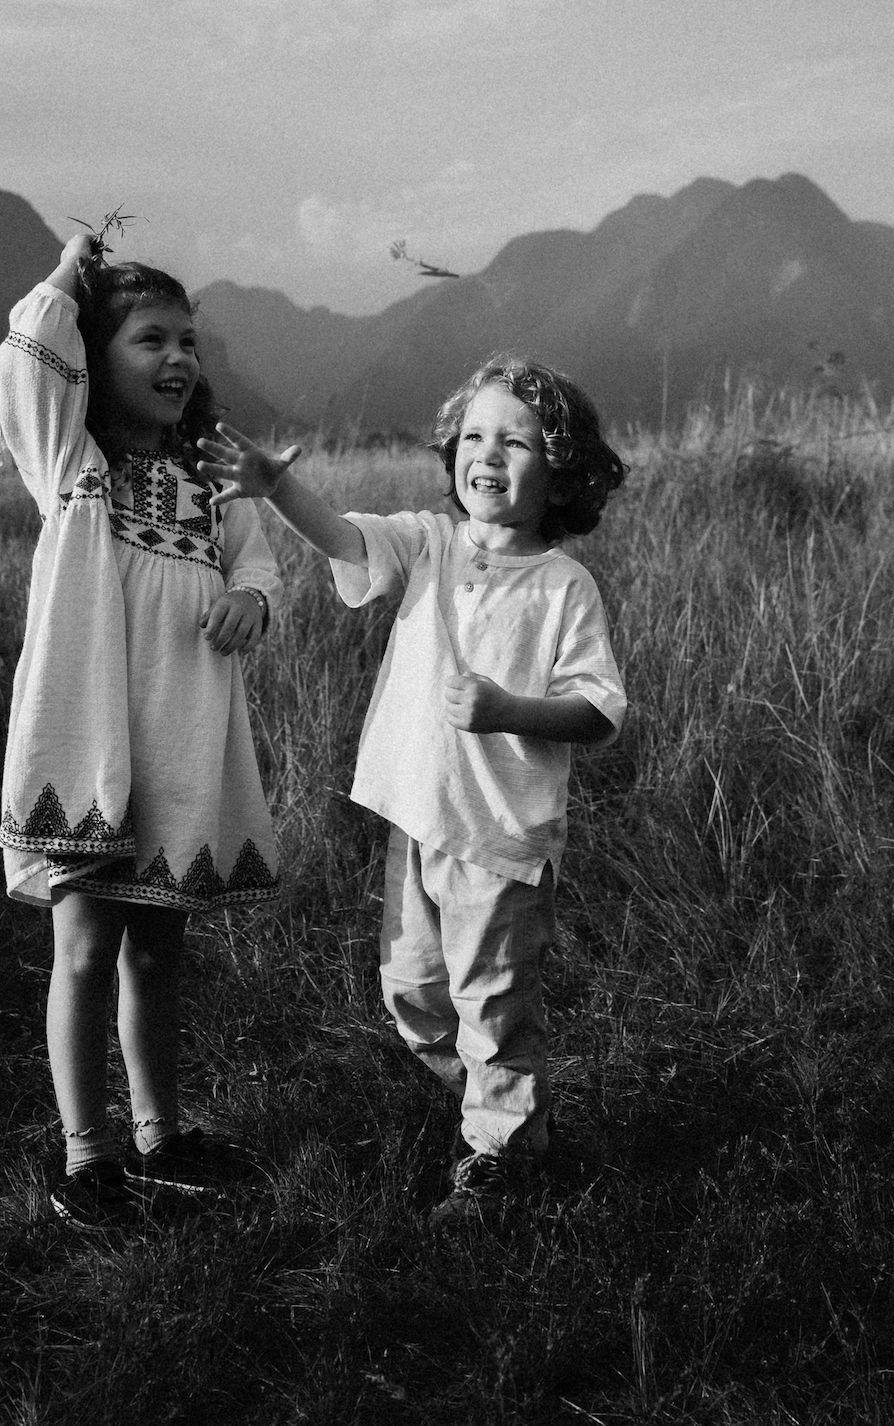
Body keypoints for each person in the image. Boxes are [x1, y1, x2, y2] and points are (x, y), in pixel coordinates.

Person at [198, 356, 626, 1227]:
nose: (488, 455)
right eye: (474, 436)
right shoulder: (430, 543)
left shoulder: (563, 587)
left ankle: (499, 1154)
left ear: (561, 467)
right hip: (420, 823)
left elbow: (599, 711)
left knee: (491, 1004)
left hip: (501, 843)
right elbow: (348, 543)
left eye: (516, 440)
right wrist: (277, 487)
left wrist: (511, 709)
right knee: (412, 994)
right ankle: (501, 1110)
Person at [0, 230, 282, 1230]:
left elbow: (257, 561)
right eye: (149, 337)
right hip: (91, 743)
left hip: (181, 740)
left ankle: (162, 1133)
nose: (177, 358)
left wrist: (251, 598)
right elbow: (27, 349)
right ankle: (87, 1154)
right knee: (84, 947)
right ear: (95, 356)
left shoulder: (209, 479)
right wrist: (71, 270)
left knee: (159, 948)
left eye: (189, 340)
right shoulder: (72, 467)